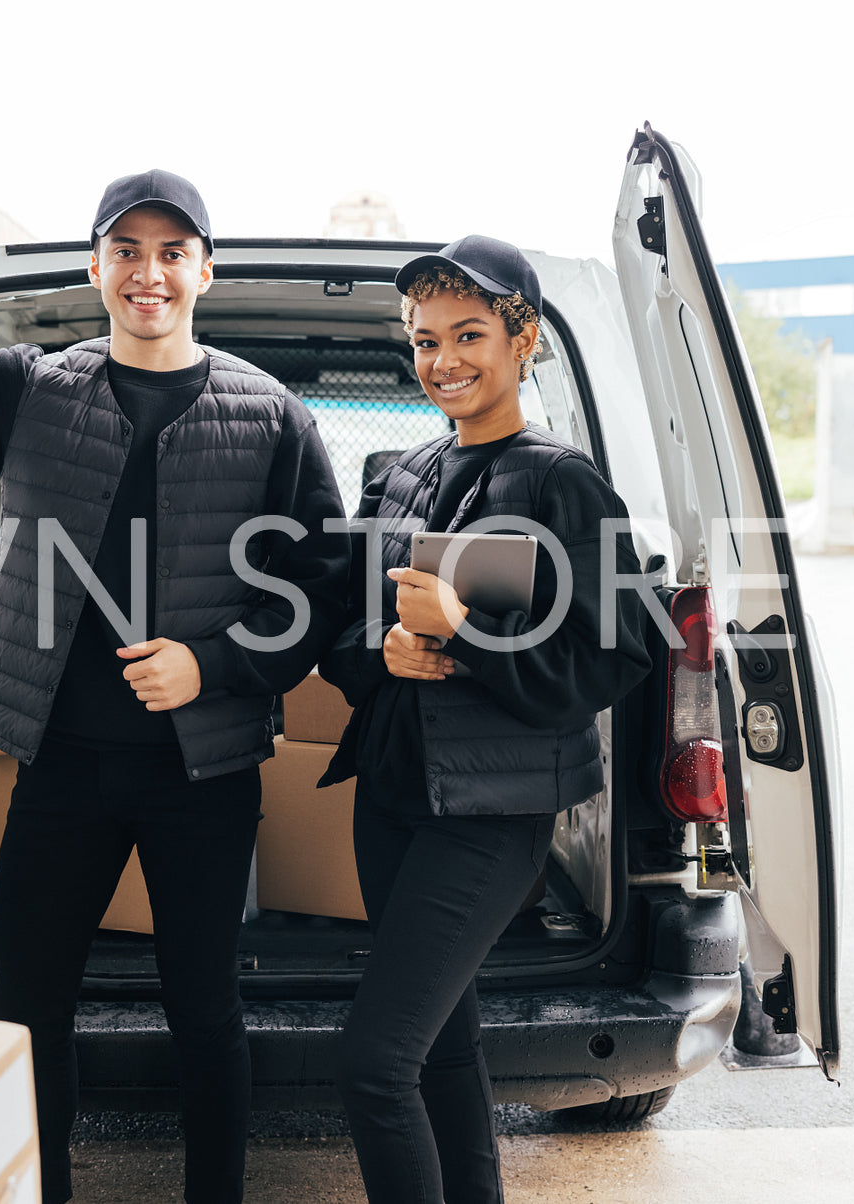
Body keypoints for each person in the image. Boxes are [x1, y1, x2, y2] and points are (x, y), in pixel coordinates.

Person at [0, 110, 349, 1204]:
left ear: (204, 269)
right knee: (29, 1012)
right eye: (127, 250)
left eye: (171, 251)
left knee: (204, 1013)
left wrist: (216, 665)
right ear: (98, 265)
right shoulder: (30, 390)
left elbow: (323, 589)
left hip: (203, 775)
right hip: (58, 773)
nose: (149, 273)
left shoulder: (271, 417)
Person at [318, 236, 653, 1204]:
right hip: (389, 794)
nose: (442, 360)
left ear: (523, 339)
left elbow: (614, 657)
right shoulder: (399, 473)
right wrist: (377, 652)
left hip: (491, 812)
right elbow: (344, 631)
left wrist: (465, 631)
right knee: (439, 1048)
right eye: (423, 340)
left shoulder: (564, 484)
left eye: (467, 334)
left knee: (372, 1062)